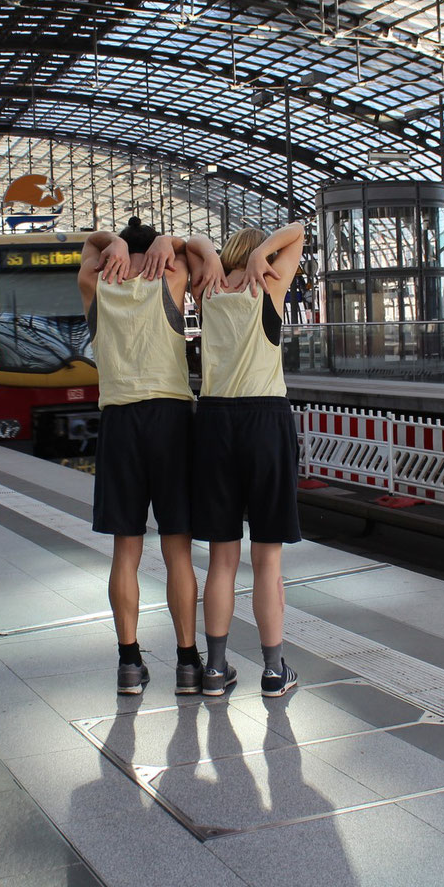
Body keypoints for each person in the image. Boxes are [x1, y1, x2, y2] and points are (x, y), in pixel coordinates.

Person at [78, 218, 222, 696]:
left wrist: (111, 243)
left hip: (119, 422)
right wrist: (171, 241)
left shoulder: (96, 285)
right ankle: (186, 664)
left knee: (126, 549)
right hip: (171, 419)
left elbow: (88, 248)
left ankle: (129, 664)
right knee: (176, 547)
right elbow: (199, 251)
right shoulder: (171, 277)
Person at [187, 221, 305, 698]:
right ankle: (274, 671)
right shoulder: (270, 282)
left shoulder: (208, 285)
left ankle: (215, 670)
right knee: (267, 560)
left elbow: (186, 246)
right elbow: (297, 231)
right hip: (265, 418)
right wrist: (265, 256)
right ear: (260, 257)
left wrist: (210, 257)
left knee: (221, 558)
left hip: (214, 421)